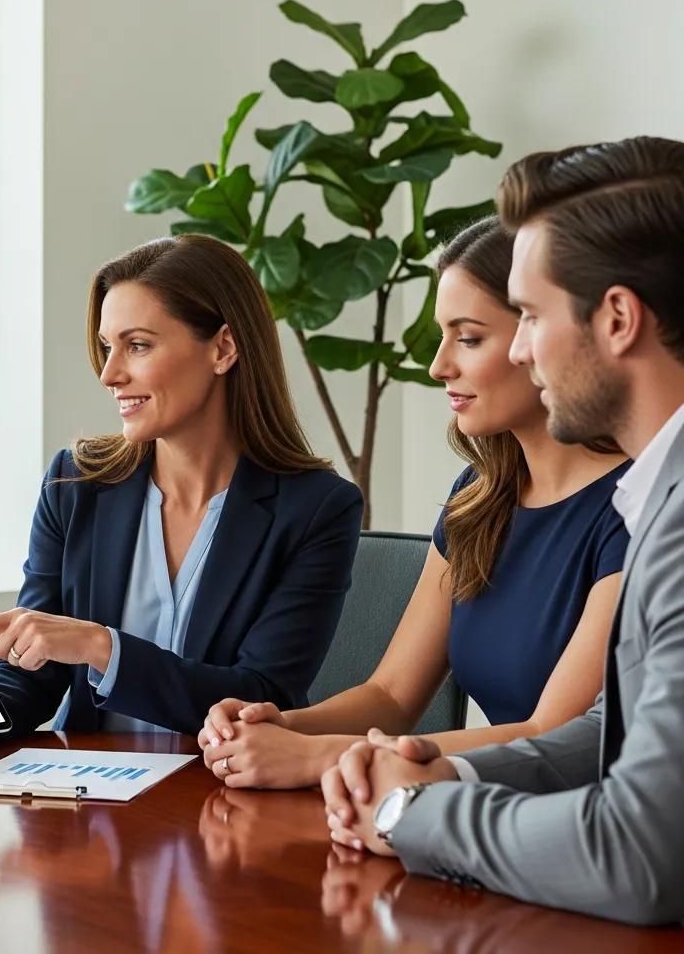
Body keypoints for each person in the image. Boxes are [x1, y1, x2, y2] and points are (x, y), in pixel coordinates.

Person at [321, 136, 684, 926]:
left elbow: (639, 855)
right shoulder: (659, 498)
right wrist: (448, 780)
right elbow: (606, 731)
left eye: (527, 315)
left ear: (617, 318)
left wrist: (408, 818)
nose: (520, 347)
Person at [0, 233, 362, 763]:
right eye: (108, 347)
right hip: (85, 807)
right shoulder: (76, 485)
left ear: (223, 347)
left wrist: (102, 648)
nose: (110, 374)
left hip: (227, 802)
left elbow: (261, 696)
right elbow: (31, 677)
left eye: (138, 345)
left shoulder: (316, 509)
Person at [198, 217, 629, 789]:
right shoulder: (477, 498)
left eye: (469, 338)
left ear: (544, 335)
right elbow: (392, 695)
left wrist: (325, 757)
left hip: (578, 833)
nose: (438, 365)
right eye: (442, 336)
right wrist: (280, 726)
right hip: (474, 815)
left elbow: (552, 735)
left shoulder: (636, 505)